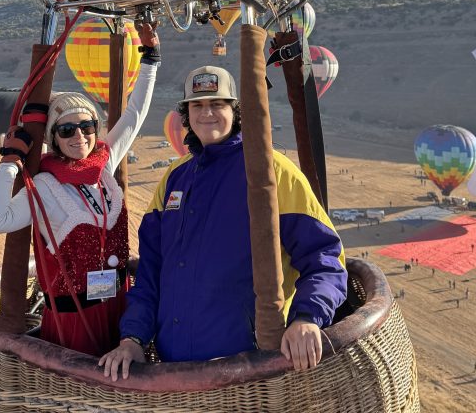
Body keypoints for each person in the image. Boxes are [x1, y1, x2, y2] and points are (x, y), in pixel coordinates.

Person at [99, 65, 347, 379]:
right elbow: (151, 273)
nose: (207, 113)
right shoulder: (174, 178)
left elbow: (325, 257)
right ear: (186, 113)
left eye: (218, 104)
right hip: (172, 372)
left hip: (250, 370)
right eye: (197, 105)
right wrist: (132, 339)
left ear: (235, 110)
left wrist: (307, 318)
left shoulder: (272, 171)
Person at [0, 22, 161, 357]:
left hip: (119, 306)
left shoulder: (104, 164)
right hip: (75, 320)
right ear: (54, 138)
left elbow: (135, 114)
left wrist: (150, 58)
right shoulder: (46, 185)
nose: (80, 136)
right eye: (67, 129)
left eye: (87, 126)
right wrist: (9, 163)